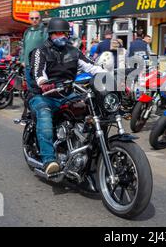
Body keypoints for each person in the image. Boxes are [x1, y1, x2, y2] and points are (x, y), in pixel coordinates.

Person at [29, 18, 106, 174]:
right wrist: (44, 82)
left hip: (67, 94)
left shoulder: (74, 51)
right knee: (44, 115)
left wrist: (111, 77)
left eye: (64, 33)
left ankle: (88, 150)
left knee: (93, 111)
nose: (61, 36)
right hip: (45, 95)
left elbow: (92, 67)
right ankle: (49, 160)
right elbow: (38, 72)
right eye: (58, 33)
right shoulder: (40, 51)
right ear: (50, 35)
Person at [20, 11, 48, 92]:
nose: (34, 20)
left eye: (36, 18)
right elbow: (23, 47)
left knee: (39, 89)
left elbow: (47, 47)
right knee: (30, 88)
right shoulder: (27, 31)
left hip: (39, 66)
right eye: (32, 18)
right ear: (29, 19)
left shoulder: (44, 31)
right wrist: (22, 60)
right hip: (28, 66)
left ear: (40, 19)